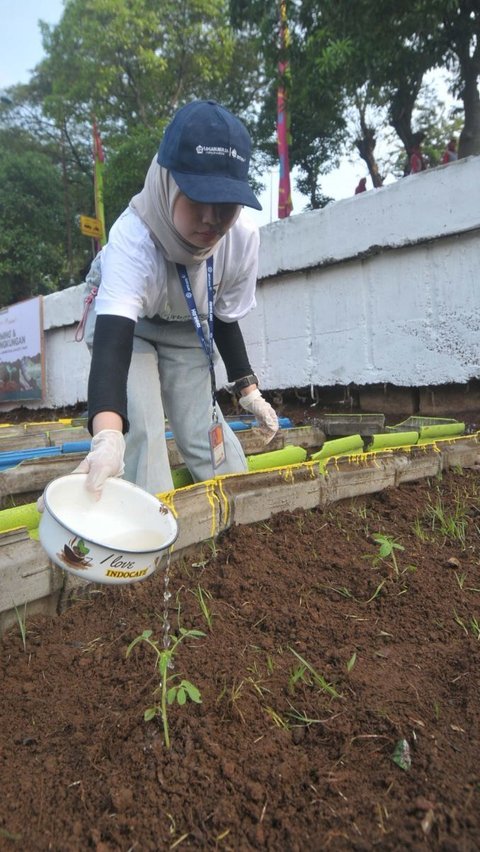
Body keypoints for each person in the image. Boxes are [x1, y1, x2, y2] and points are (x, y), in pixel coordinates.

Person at [76, 100, 279, 499]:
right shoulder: (133, 240)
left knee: (204, 431)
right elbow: (113, 347)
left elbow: (222, 316)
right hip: (127, 333)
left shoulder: (241, 238)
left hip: (189, 325)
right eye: (197, 196)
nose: (211, 218)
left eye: (226, 203)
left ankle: (243, 520)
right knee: (143, 432)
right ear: (168, 181)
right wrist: (108, 436)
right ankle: (147, 533)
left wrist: (249, 391)